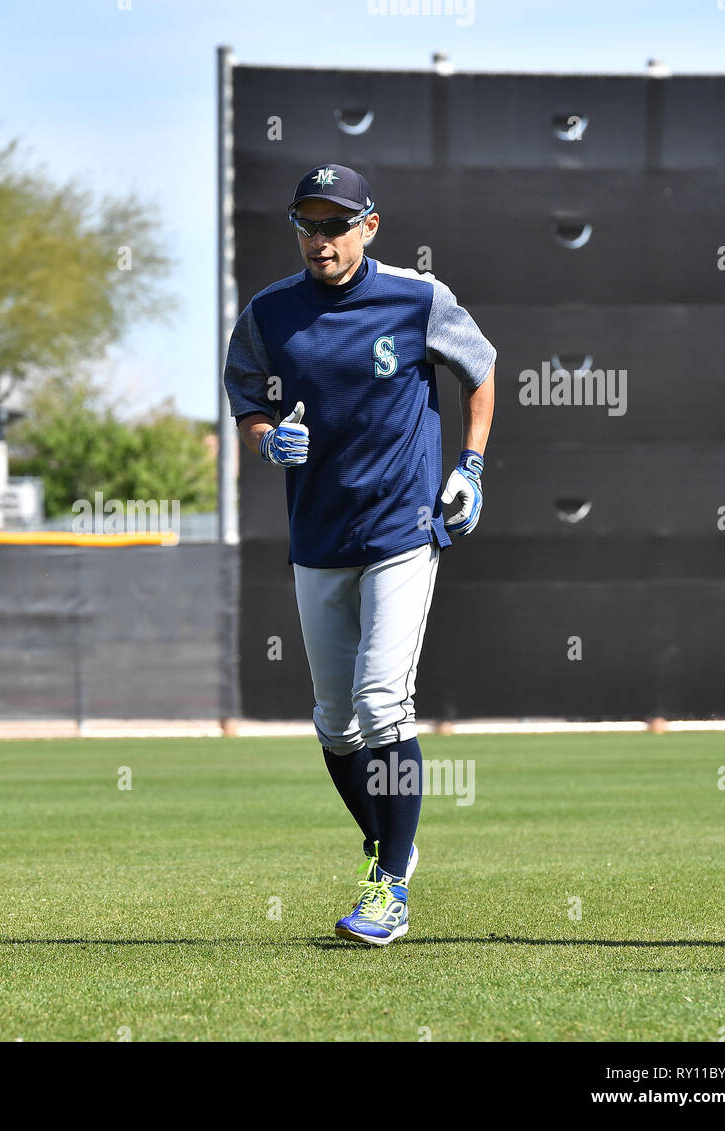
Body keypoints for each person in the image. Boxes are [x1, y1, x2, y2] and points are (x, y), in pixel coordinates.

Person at [223, 163, 496, 946]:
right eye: (308, 223)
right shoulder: (270, 311)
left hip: (403, 528)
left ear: (369, 226)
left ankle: (391, 884)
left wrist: (469, 468)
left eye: (337, 223)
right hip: (317, 535)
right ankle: (385, 846)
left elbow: (480, 369)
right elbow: (246, 394)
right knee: (335, 723)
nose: (321, 238)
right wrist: (268, 439)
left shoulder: (418, 298)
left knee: (381, 703)